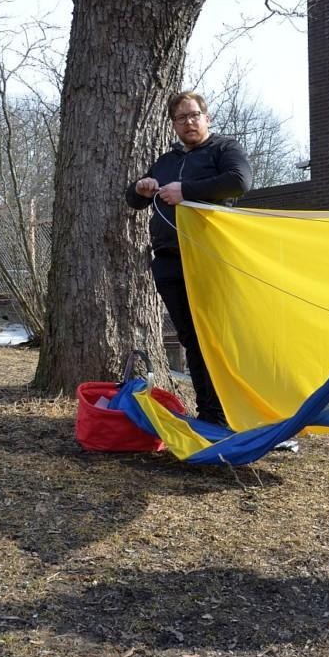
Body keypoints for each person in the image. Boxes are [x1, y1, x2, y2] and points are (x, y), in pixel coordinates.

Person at [125, 91, 253, 426]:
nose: (189, 122)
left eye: (194, 115)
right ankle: (210, 414)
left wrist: (185, 191)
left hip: (211, 258)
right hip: (169, 261)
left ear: (207, 117)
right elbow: (133, 198)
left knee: (218, 337)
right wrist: (143, 186)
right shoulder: (167, 161)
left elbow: (239, 182)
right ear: (173, 124)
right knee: (191, 340)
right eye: (181, 118)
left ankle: (238, 413)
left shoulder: (224, 149)